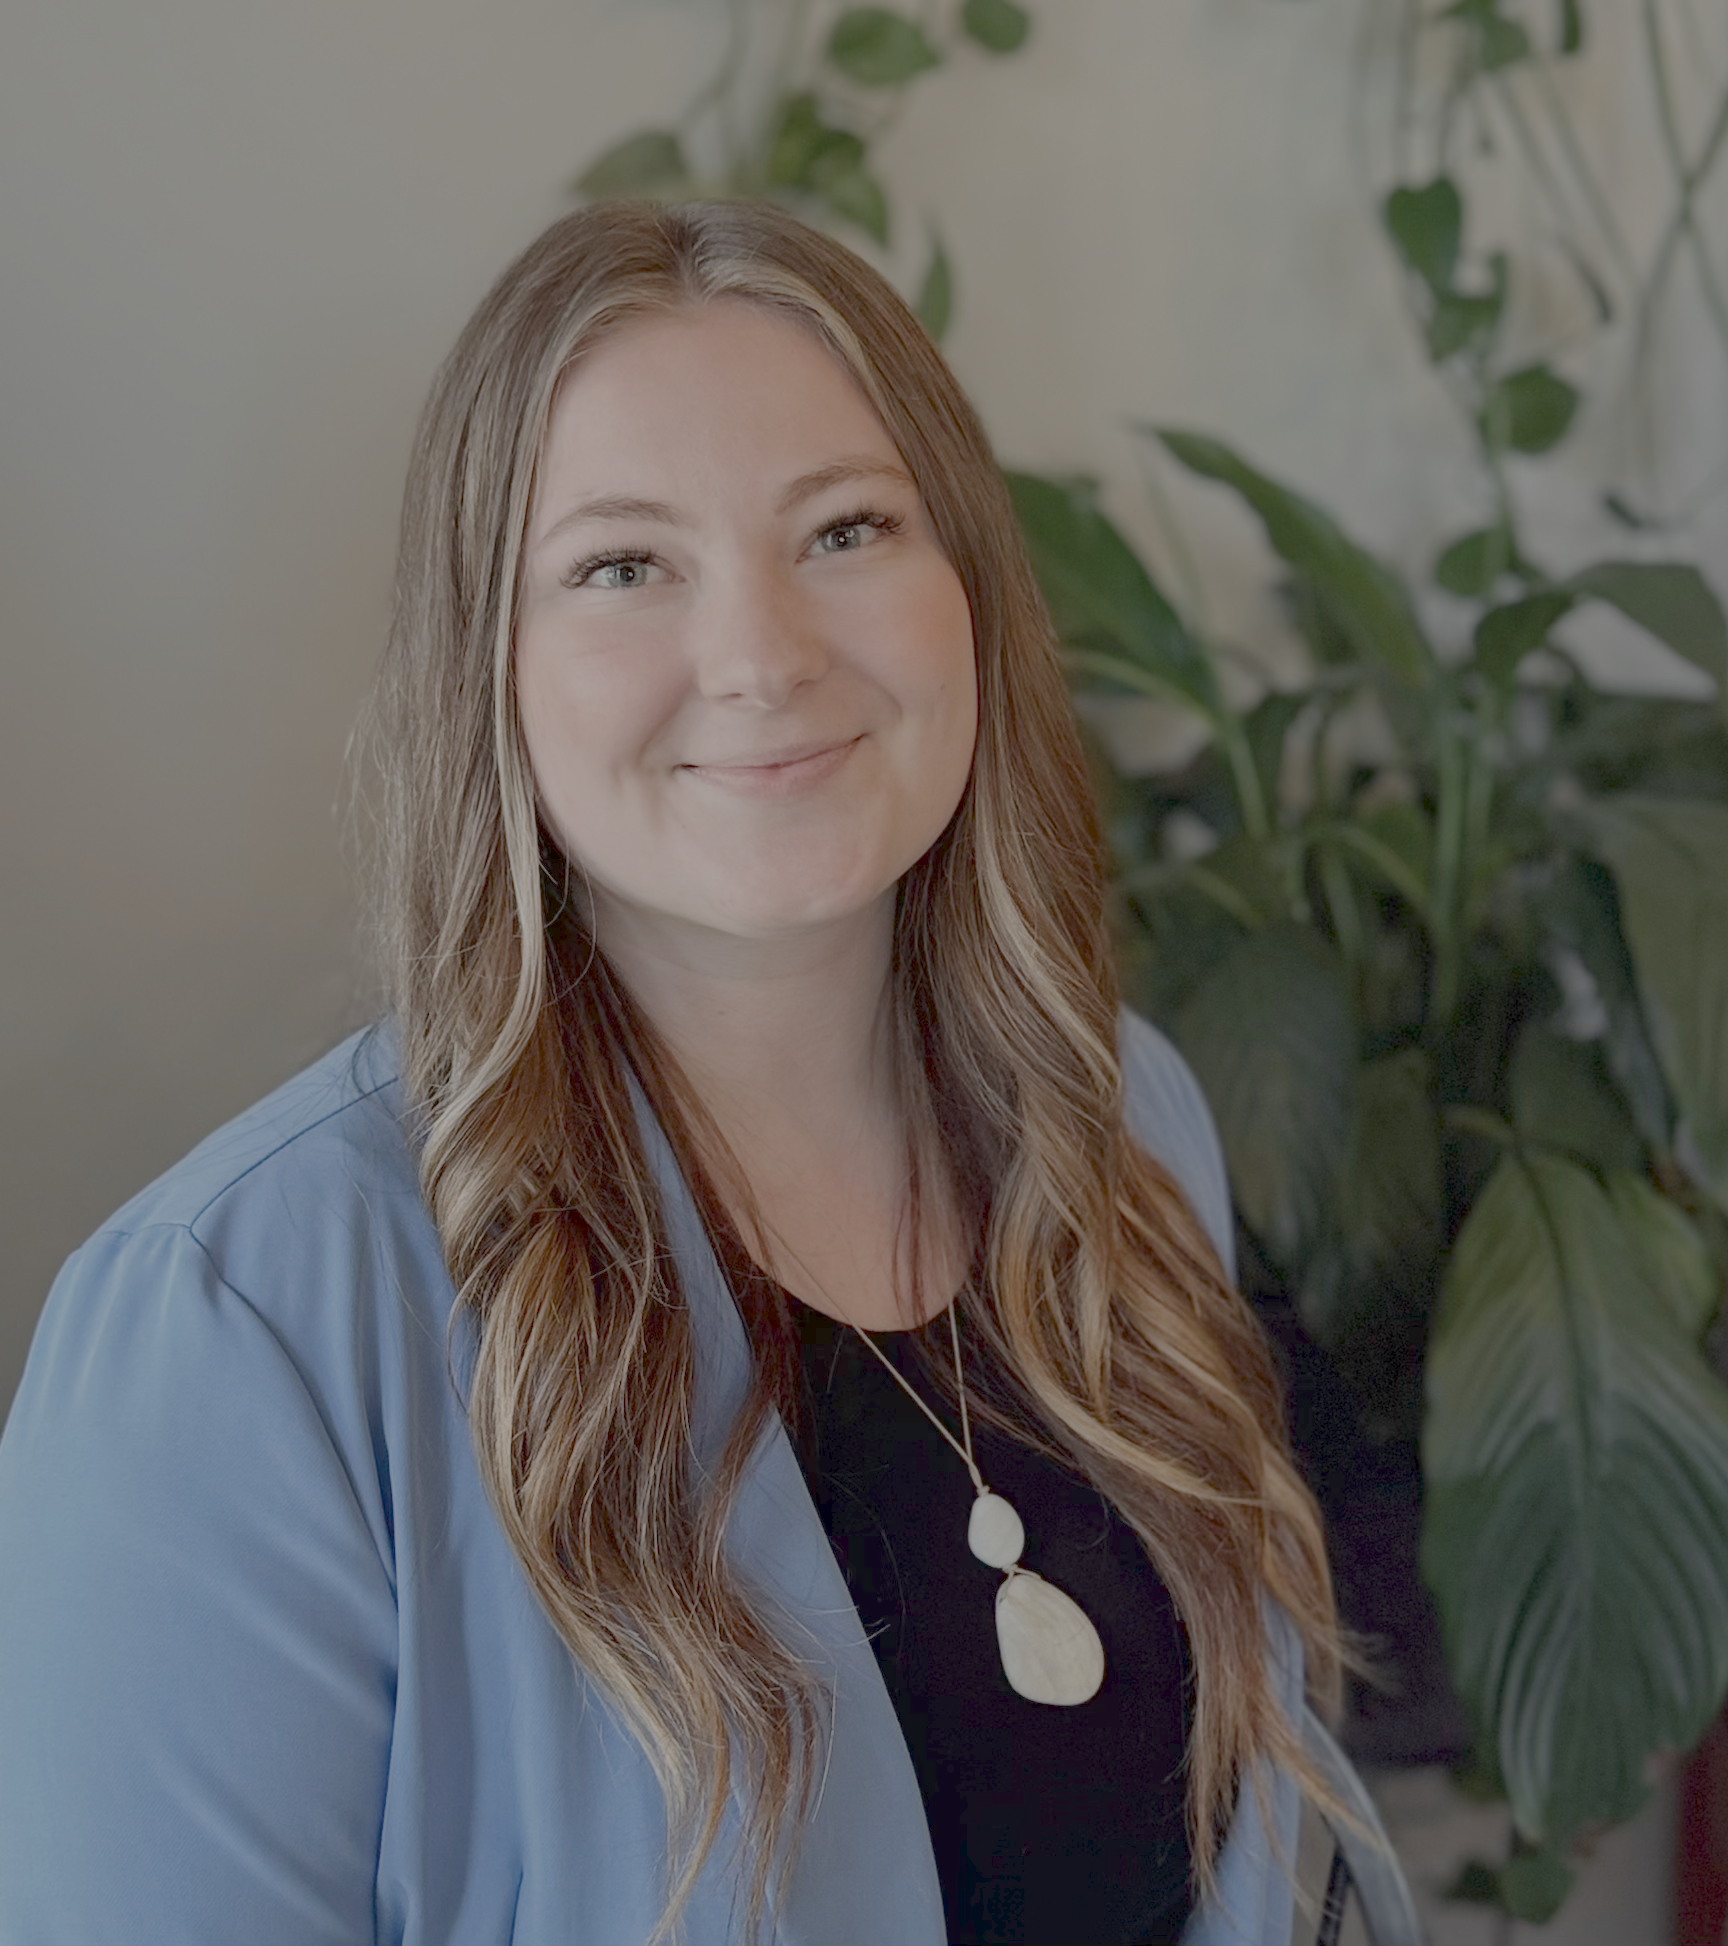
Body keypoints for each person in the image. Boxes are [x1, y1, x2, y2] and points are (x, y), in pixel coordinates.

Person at [0, 201, 1419, 1946]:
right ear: (490, 670)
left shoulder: (1124, 1119)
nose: (761, 654)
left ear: (965, 590)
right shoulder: (238, 1336)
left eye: (843, 528)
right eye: (621, 564)